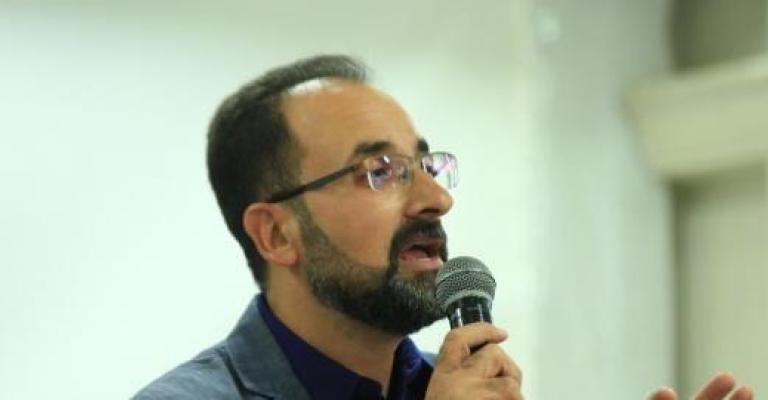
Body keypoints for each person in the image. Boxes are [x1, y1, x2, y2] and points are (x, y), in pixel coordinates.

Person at [133, 55, 753, 400]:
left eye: (427, 166)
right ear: (276, 234)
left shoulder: (454, 386)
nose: (436, 199)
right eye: (381, 171)